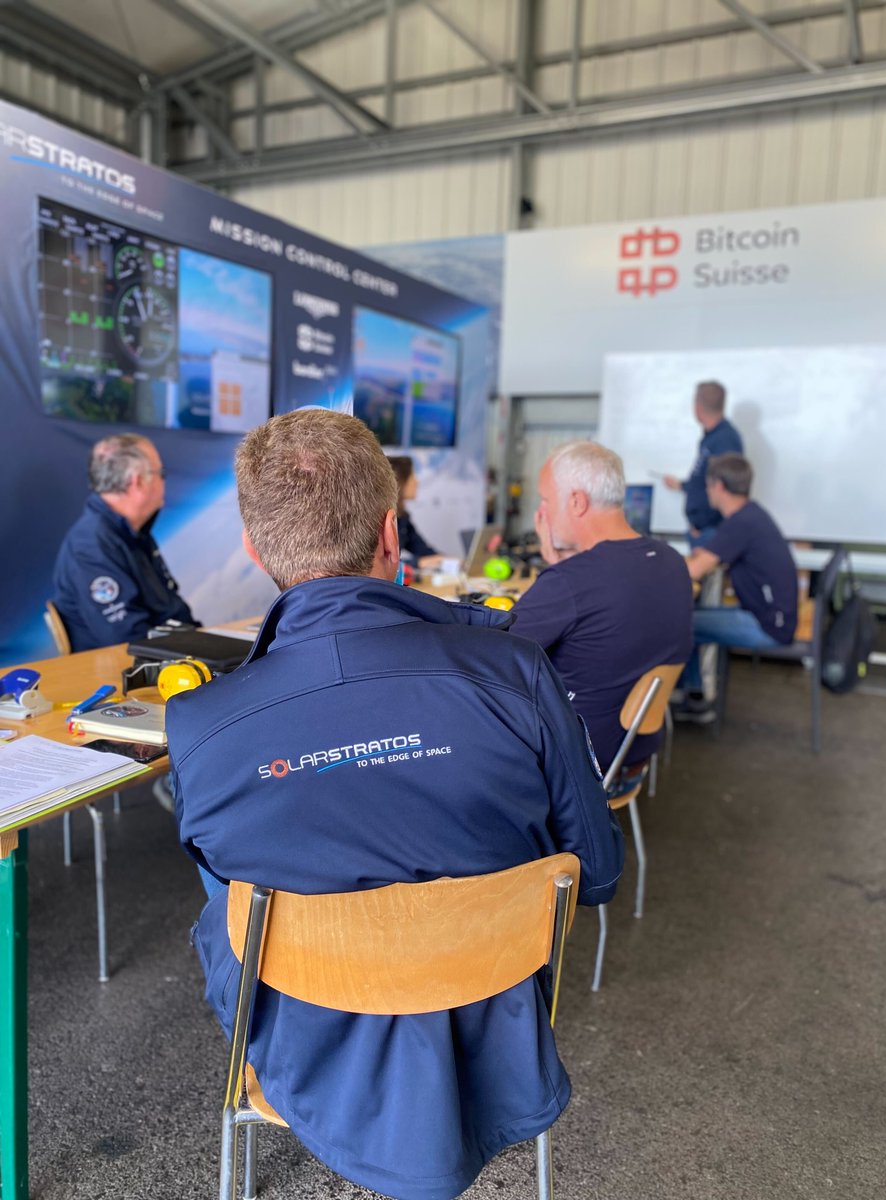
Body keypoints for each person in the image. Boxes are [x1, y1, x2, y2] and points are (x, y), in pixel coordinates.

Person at [166, 409, 624, 1200]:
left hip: (305, 1058)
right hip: (494, 1044)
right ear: (390, 533)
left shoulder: (201, 728)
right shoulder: (517, 674)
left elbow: (235, 905)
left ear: (254, 548)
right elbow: (598, 870)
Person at [511, 441, 693, 784]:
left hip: (576, 770)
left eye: (546, 500)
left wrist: (556, 575)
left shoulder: (571, 581)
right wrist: (560, 570)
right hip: (632, 758)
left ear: (577, 501)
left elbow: (495, 651)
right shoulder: (672, 561)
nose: (542, 512)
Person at [51, 434, 195, 652]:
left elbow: (170, 609)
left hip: (171, 652)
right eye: (160, 474)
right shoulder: (91, 545)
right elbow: (126, 639)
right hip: (129, 671)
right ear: (138, 481)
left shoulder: (134, 533)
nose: (164, 481)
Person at [679, 453, 798, 715]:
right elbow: (711, 557)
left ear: (719, 486)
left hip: (768, 626)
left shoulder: (741, 523)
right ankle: (693, 694)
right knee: (688, 617)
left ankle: (693, 701)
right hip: (769, 617)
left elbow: (695, 570)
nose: (707, 491)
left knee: (680, 623)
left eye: (708, 485)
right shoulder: (750, 515)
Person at [663, 380, 743, 547]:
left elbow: (726, 487)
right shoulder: (711, 438)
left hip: (711, 531)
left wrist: (707, 523)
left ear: (698, 408)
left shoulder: (725, 440)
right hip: (702, 530)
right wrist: (681, 485)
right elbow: (704, 479)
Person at [387, 454, 443, 569]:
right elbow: (383, 563)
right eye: (412, 476)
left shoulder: (403, 518)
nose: (417, 482)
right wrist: (418, 563)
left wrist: (446, 560)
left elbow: (423, 550)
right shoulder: (380, 519)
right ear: (399, 482)